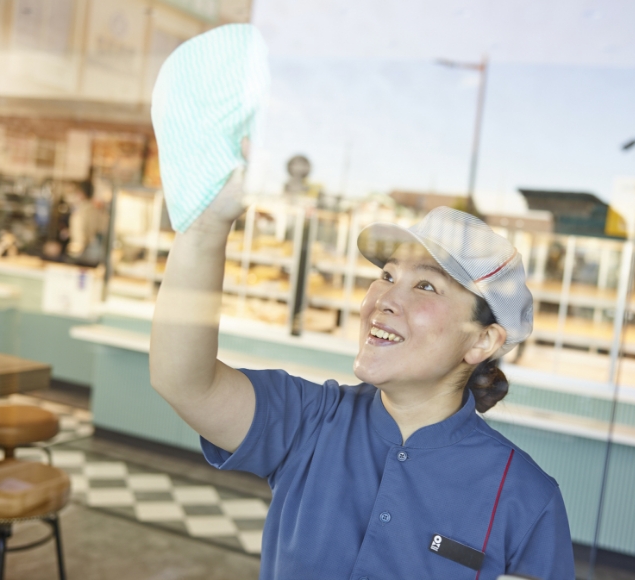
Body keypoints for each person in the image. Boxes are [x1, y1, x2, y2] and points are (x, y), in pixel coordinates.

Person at [149, 164, 575, 580]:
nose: (383, 299)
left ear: (482, 341)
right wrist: (203, 231)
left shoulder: (525, 497)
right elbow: (184, 382)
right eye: (387, 275)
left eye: (425, 285)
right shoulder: (312, 420)